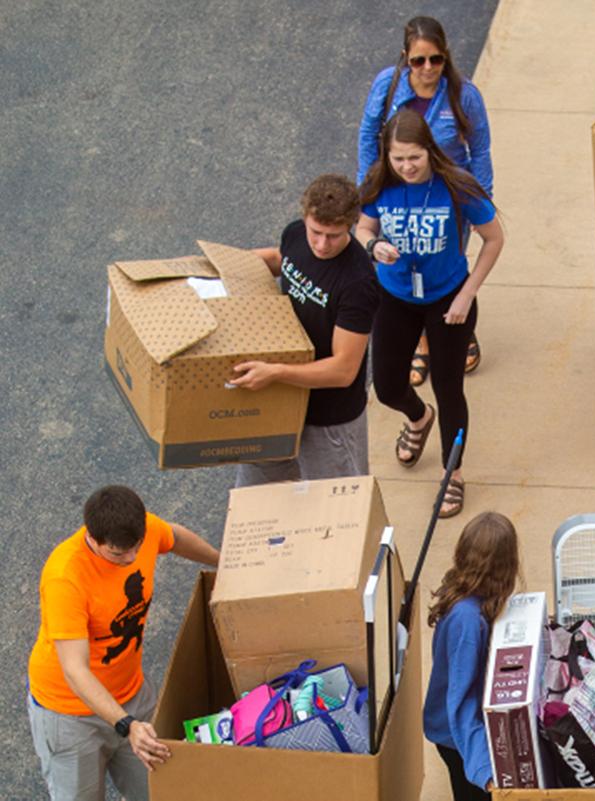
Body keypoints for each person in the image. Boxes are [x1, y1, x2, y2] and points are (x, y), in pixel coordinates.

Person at [27, 486, 220, 801]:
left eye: (137, 548)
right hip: (71, 716)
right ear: (92, 537)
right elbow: (75, 670)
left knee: (162, 790)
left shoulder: (140, 529)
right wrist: (125, 723)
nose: (130, 559)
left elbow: (175, 536)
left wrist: (223, 562)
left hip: (132, 696)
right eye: (117, 553)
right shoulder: (66, 577)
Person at [358, 110, 503, 518]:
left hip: (448, 300)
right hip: (396, 296)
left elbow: (494, 239)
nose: (405, 167)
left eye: (414, 158)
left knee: (448, 386)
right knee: (386, 385)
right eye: (398, 158)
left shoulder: (456, 186)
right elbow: (363, 228)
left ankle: (452, 473)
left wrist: (467, 295)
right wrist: (373, 247)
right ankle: (419, 418)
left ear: (429, 152)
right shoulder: (380, 183)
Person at [358, 15, 492, 385]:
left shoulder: (464, 94)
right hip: (398, 189)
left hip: (448, 193)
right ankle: (421, 340)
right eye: (419, 61)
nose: (428, 68)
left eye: (436, 59)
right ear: (406, 59)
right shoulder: (388, 85)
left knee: (446, 258)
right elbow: (369, 134)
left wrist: (481, 199)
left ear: (445, 58)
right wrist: (369, 188)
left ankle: (458, 327)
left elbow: (479, 147)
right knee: (405, 256)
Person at [230, 173, 380, 487]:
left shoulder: (358, 283)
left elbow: (343, 370)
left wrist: (275, 373)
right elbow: (279, 260)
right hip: (278, 402)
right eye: (316, 232)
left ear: (351, 224)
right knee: (256, 500)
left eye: (334, 235)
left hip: (328, 421)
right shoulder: (296, 235)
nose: (322, 244)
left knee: (340, 510)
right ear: (305, 218)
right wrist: (225, 265)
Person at [424, 511, 520, 800]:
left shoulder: (473, 598)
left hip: (460, 731)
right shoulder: (467, 621)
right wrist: (484, 770)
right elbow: (461, 701)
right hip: (458, 738)